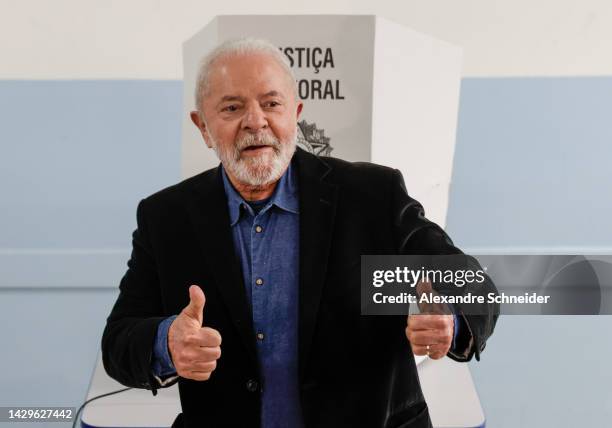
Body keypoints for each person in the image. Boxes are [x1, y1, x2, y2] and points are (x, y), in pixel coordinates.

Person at [101, 38, 498, 428]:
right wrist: (166, 342)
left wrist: (451, 316)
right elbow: (118, 342)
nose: (256, 121)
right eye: (232, 107)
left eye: (272, 104)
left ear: (296, 113)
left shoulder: (372, 195)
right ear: (202, 126)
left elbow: (474, 285)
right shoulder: (166, 217)